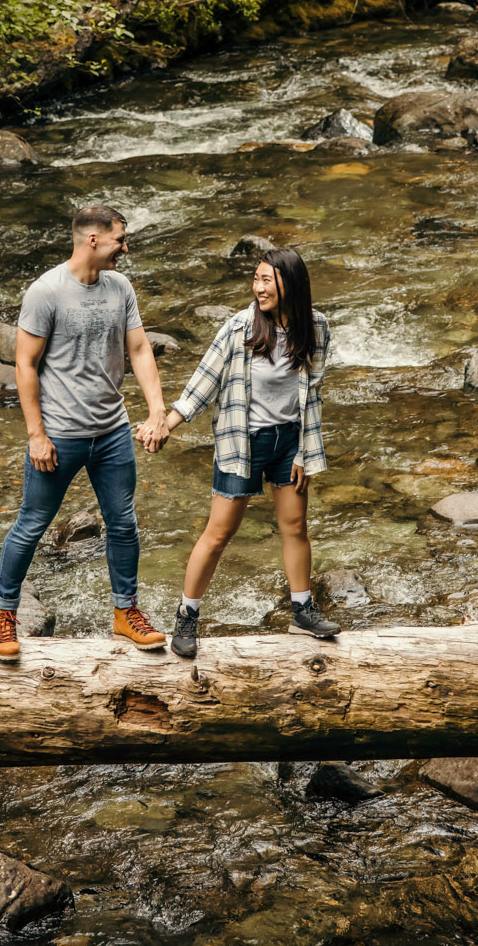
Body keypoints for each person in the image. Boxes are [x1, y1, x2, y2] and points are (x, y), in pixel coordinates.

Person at [0, 205, 171, 663]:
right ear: (93, 239)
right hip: (60, 436)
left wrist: (157, 411)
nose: (125, 248)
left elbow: (139, 348)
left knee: (124, 524)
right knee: (31, 524)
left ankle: (125, 613)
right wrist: (36, 434)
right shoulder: (46, 292)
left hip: (111, 432)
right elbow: (25, 365)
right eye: (120, 239)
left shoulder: (120, 288)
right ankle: (3, 615)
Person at [157, 247, 339, 658]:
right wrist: (165, 424)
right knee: (219, 533)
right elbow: (203, 383)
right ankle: (186, 617)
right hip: (243, 441)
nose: (257, 288)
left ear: (289, 284)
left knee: (295, 527)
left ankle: (302, 612)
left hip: (289, 440)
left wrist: (305, 452)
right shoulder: (239, 328)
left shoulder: (317, 326)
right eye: (255, 279)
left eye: (266, 280)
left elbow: (314, 393)